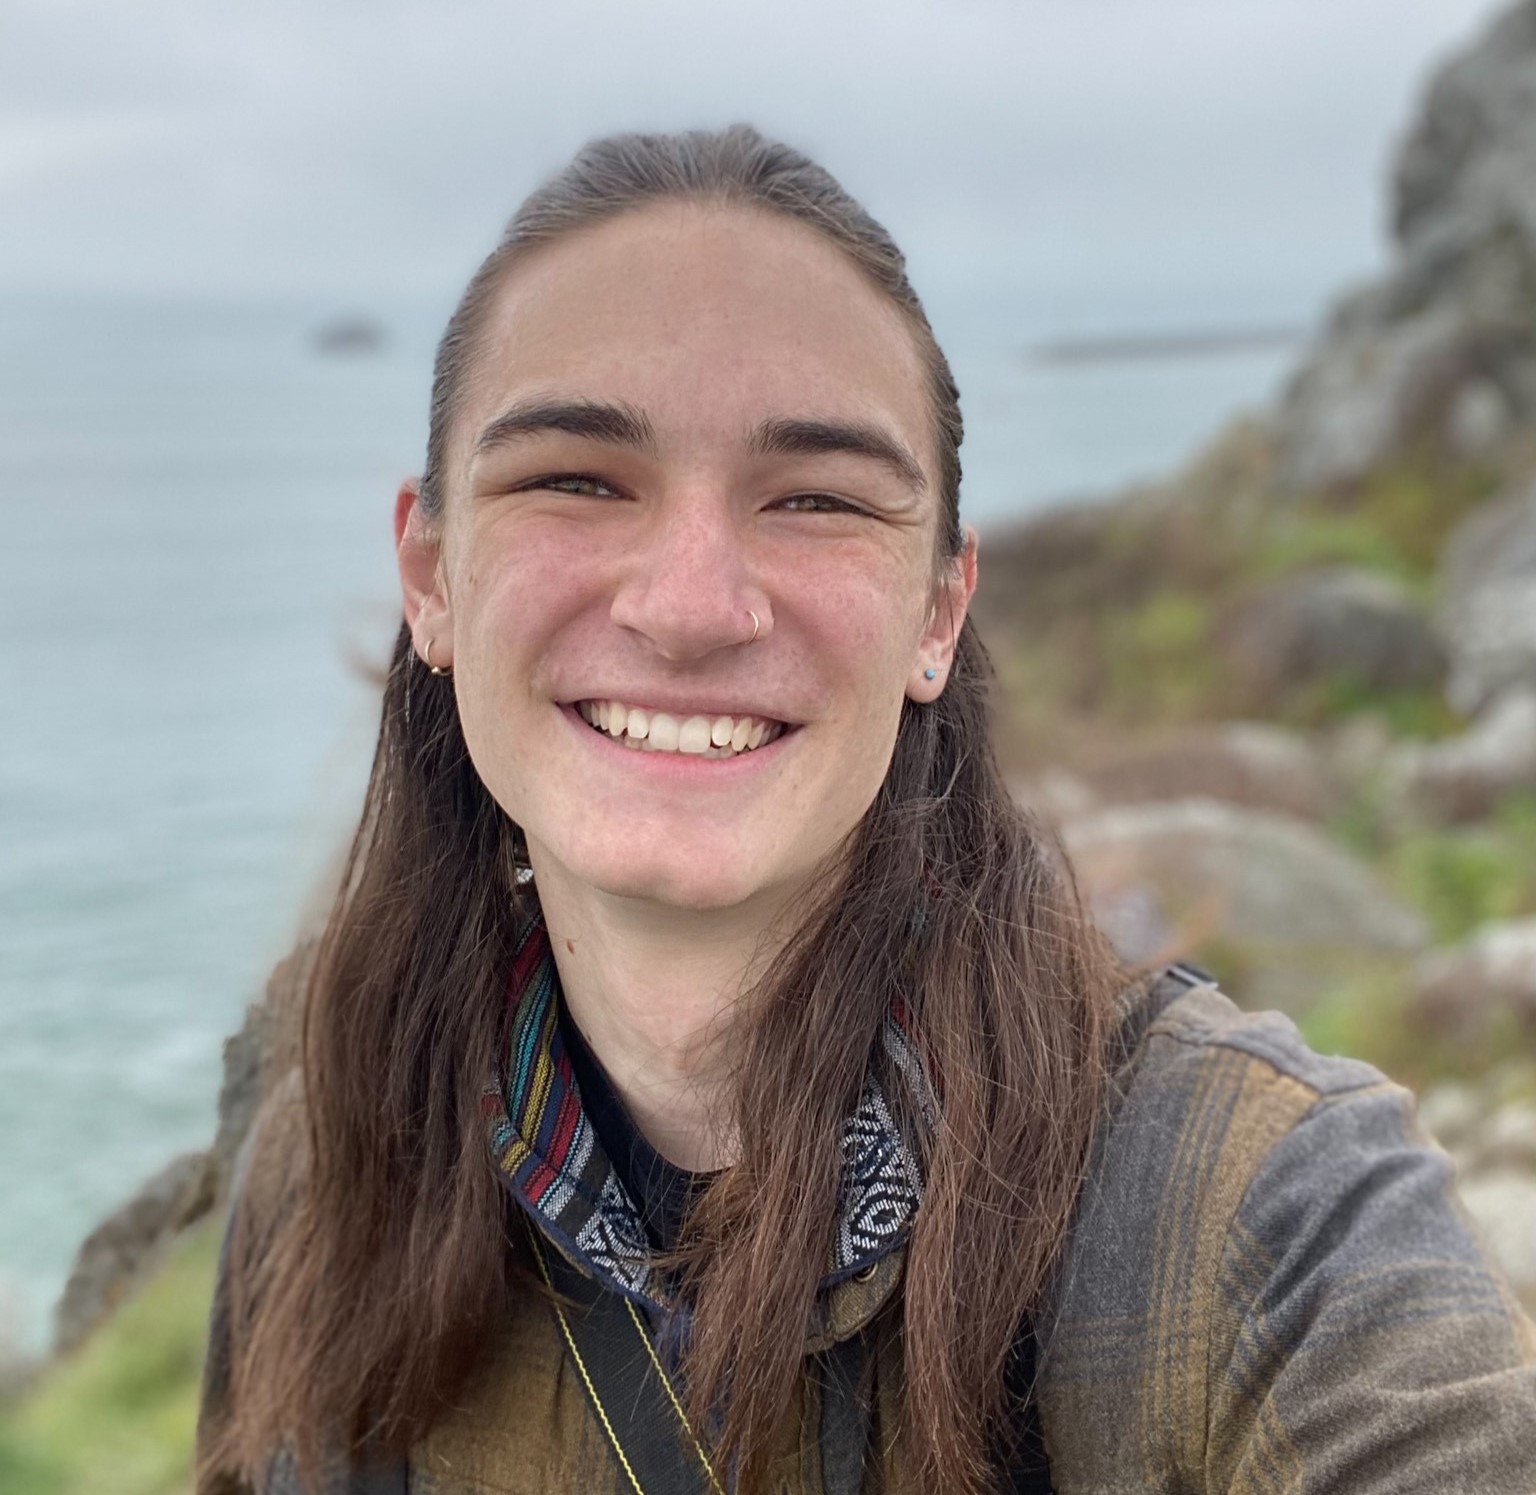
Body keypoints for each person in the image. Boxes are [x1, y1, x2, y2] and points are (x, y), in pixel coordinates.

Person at [196, 126, 1536, 1495]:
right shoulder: (328, 1171)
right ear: (430, 571)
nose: (693, 606)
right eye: (578, 479)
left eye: (818, 498)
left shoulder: (1273, 1218)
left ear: (938, 614)